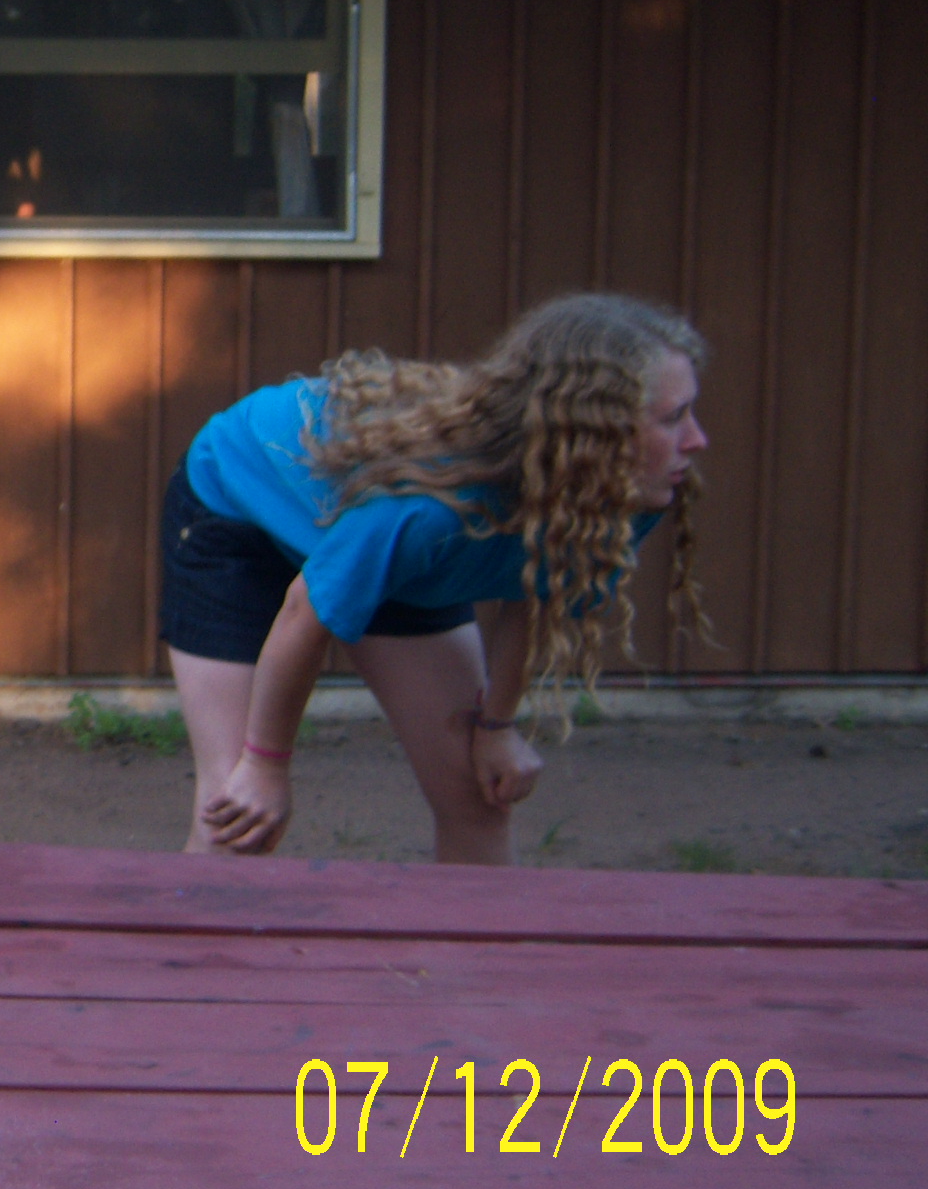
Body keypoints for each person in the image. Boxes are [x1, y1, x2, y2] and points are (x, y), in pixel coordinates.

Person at [159, 293, 710, 865]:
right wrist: (266, 764)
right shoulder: (427, 508)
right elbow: (305, 614)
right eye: (673, 419)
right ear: (593, 430)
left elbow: (535, 594)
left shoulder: (627, 492)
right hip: (238, 505)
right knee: (237, 819)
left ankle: (467, 930)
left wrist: (496, 726)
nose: (697, 440)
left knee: (479, 799)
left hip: (390, 554)